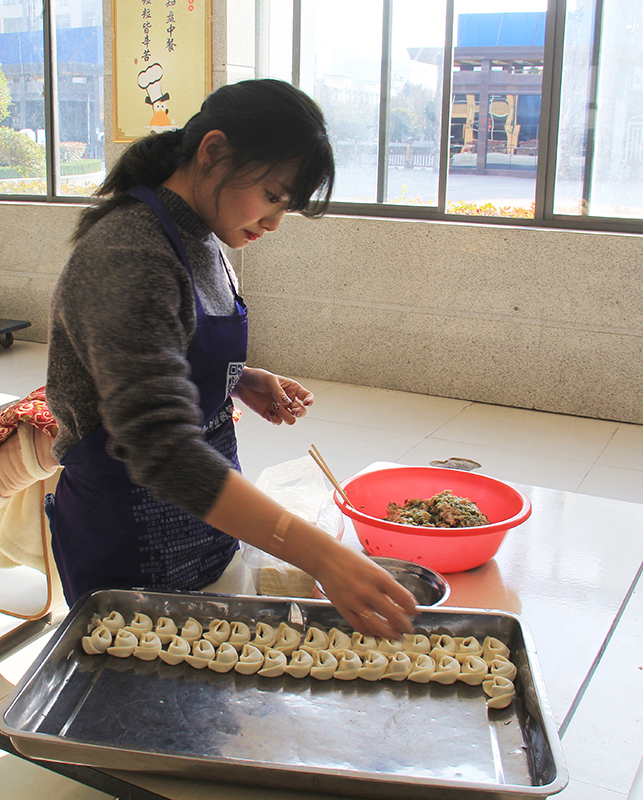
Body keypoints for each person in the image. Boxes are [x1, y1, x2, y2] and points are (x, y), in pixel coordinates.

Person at [45, 79, 418, 640]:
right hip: (130, 544)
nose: (273, 223)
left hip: (208, 527)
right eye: (272, 196)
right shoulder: (130, 251)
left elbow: (160, 346)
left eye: (285, 206)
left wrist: (236, 379)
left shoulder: (205, 235)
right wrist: (324, 557)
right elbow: (161, 448)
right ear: (212, 152)